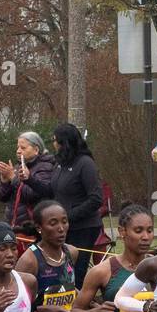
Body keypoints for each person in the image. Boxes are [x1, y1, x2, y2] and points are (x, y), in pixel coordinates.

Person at [27, 124, 103, 293]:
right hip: (64, 226)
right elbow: (50, 191)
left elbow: (96, 199)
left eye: (54, 140)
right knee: (62, 269)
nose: (53, 144)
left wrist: (68, 217)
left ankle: (80, 307)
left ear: (64, 142)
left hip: (84, 227)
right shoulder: (60, 164)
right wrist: (29, 179)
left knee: (77, 270)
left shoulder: (85, 164)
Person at [0, 131, 57, 239]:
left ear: (36, 150)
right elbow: (2, 197)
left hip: (31, 227)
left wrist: (13, 178)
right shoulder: (18, 166)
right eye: (18, 147)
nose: (18, 151)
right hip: (14, 225)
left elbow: (32, 195)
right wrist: (4, 182)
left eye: (23, 148)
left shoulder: (45, 167)